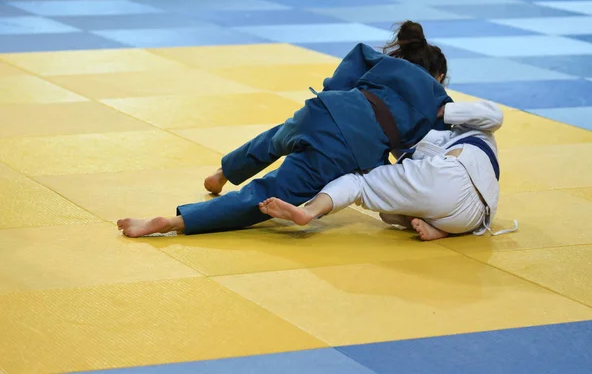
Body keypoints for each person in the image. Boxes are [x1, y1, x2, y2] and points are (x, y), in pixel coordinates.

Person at [118, 21, 453, 238]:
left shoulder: (387, 64)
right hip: (345, 149)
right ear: (438, 75)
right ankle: (173, 222)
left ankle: (223, 171)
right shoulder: (439, 99)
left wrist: (334, 98)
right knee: (267, 194)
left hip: (324, 109)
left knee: (275, 139)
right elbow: (420, 154)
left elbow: (351, 63)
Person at [258, 99, 518, 241]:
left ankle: (308, 211)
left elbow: (496, 115)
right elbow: (391, 209)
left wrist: (441, 109)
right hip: (476, 217)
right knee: (390, 210)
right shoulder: (479, 138)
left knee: (358, 183)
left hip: (450, 178)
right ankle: (442, 229)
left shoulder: (462, 127)